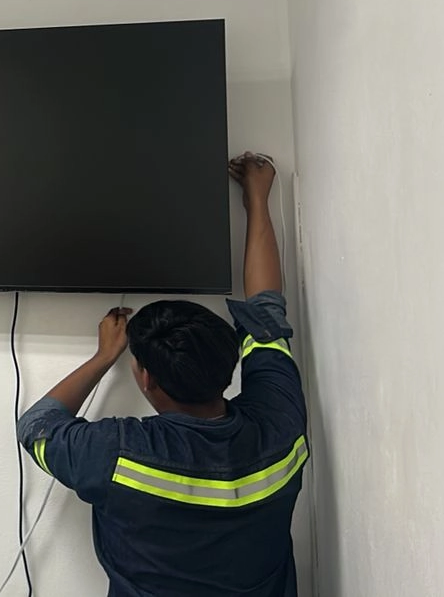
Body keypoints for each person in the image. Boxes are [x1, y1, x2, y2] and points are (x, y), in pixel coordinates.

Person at [16, 152, 307, 596]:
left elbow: (36, 425)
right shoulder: (279, 422)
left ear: (147, 379)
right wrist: (257, 197)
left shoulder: (117, 453)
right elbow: (266, 310)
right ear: (229, 362)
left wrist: (103, 357)